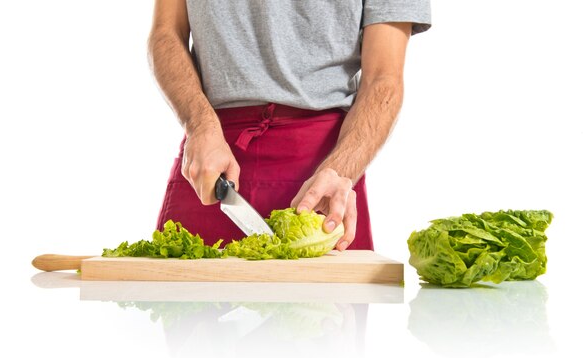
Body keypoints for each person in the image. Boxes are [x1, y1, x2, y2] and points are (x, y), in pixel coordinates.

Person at [149, 0, 431, 250]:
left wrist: (340, 169)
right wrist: (201, 125)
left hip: (325, 173)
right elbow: (166, 33)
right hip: (211, 164)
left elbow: (383, 79)